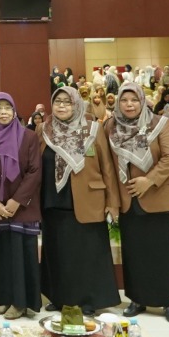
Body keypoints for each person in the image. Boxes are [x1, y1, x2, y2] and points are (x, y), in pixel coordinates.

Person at [40, 86, 121, 317]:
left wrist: (112, 201)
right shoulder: (44, 129)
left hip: (88, 201)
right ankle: (59, 297)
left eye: (68, 102)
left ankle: (88, 299)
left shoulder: (94, 130)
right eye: (58, 102)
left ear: (77, 104)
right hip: (53, 202)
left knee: (87, 254)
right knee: (57, 254)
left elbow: (108, 167)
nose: (62, 106)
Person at [105, 82, 169, 323]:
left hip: (155, 196)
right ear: (118, 103)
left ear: (142, 101)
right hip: (129, 200)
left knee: (160, 252)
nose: (129, 104)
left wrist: (148, 180)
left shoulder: (159, 124)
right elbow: (107, 165)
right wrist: (114, 202)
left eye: (134, 100)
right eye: (124, 100)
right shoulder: (110, 126)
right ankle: (137, 299)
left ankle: (167, 301)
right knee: (133, 253)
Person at [0, 92, 42, 319]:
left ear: (14, 112)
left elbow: (34, 172)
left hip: (22, 207)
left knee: (20, 254)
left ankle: (20, 302)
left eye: (8, 108)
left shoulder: (29, 137)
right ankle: (2, 297)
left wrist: (15, 201)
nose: (3, 112)